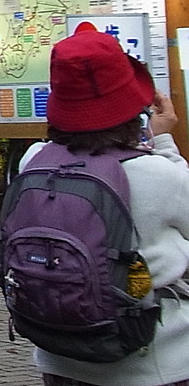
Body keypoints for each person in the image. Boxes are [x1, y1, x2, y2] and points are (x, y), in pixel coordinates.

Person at [17, 24, 189, 386]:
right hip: (153, 359)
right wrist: (162, 138)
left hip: (59, 354)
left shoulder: (32, 161)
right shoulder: (157, 173)